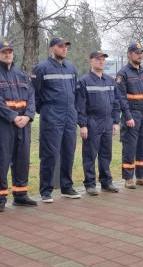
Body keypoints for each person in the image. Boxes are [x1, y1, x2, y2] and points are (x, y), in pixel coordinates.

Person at [32, 37, 80, 202]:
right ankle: (46, 190)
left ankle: (66, 187)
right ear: (52, 48)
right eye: (61, 46)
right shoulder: (41, 68)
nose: (64, 49)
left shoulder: (71, 68)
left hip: (69, 115)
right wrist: (46, 110)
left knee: (68, 151)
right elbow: (35, 94)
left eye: (66, 46)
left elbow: (75, 91)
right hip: (51, 115)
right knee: (50, 153)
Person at [75, 51, 120, 196]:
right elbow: (80, 105)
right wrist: (82, 124)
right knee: (90, 154)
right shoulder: (84, 81)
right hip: (92, 122)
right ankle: (90, 184)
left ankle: (106, 182)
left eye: (103, 59)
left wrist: (116, 122)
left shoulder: (110, 80)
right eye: (98, 59)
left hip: (107, 121)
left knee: (106, 154)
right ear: (91, 61)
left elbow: (116, 102)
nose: (101, 62)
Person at [0, 41, 37, 211]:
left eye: (10, 52)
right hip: (4, 124)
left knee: (22, 158)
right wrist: (13, 116)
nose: (8, 54)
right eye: (4, 52)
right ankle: (1, 198)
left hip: (23, 124)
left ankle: (20, 195)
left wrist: (28, 116)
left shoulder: (21, 75)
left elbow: (31, 97)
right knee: (2, 159)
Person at [116, 42, 143, 189]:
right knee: (130, 147)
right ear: (129, 54)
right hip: (132, 114)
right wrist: (127, 116)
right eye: (137, 52)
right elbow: (121, 98)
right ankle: (128, 178)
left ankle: (141, 176)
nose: (140, 55)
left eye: (141, 52)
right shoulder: (123, 74)